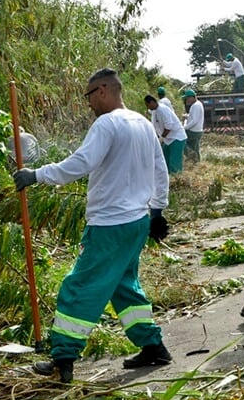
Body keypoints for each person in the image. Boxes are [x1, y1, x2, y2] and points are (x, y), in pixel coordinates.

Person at [12, 68, 172, 384]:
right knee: (124, 286)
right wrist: (157, 211)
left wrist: (37, 175)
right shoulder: (141, 122)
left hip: (110, 225)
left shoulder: (107, 124)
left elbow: (81, 163)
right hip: (136, 222)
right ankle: (154, 346)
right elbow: (159, 169)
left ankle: (63, 358)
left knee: (79, 287)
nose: (88, 105)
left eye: (88, 97)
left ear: (102, 90)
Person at [145, 94, 187, 174]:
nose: (147, 107)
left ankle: (177, 180)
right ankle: (168, 178)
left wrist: (161, 138)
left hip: (176, 138)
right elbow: (154, 125)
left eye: (147, 105)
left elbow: (169, 126)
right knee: (165, 160)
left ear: (151, 102)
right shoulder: (155, 111)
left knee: (174, 162)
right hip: (168, 139)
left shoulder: (163, 110)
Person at [182, 89, 204, 163]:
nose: (187, 100)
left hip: (193, 131)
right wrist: (187, 116)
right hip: (197, 130)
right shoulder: (197, 104)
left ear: (192, 97)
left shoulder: (196, 106)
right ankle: (196, 162)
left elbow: (194, 121)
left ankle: (191, 156)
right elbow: (194, 117)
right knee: (195, 148)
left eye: (188, 98)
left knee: (181, 142)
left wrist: (185, 128)